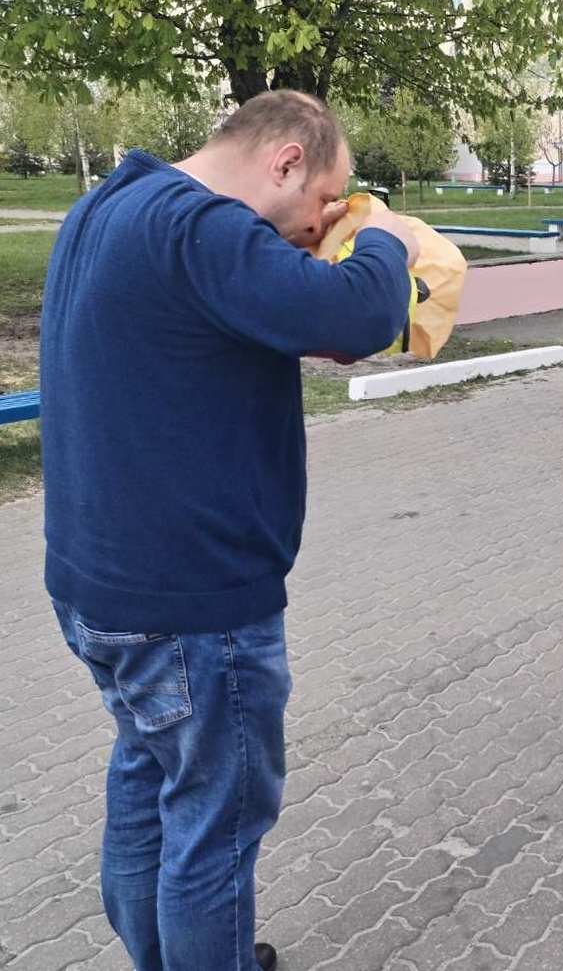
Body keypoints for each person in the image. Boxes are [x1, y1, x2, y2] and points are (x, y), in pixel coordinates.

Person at [41, 90, 420, 971]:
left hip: (98, 590)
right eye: (324, 197)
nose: (322, 222)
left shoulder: (107, 207)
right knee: (214, 830)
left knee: (149, 781)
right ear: (285, 161)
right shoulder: (201, 229)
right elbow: (361, 313)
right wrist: (387, 239)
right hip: (192, 611)